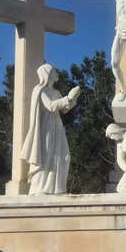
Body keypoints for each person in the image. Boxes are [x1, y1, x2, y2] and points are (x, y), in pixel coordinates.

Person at [20, 64, 81, 195]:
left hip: (57, 126)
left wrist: (73, 99)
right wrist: (68, 98)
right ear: (47, 74)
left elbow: (64, 109)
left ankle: (58, 188)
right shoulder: (40, 90)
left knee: (64, 156)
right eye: (54, 71)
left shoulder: (56, 92)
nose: (57, 73)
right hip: (46, 128)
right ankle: (40, 188)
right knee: (47, 157)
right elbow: (51, 106)